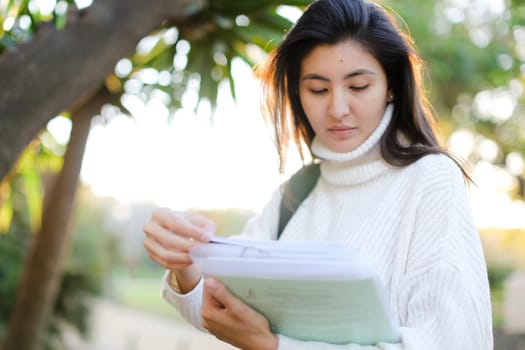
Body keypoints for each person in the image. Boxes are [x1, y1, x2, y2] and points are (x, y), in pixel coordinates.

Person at [143, 0, 493, 349]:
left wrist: (275, 345)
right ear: (297, 93)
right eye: (318, 90)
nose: (338, 109)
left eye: (358, 87)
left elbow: (451, 341)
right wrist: (183, 259)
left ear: (391, 87)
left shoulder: (429, 179)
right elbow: (221, 304)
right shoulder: (294, 194)